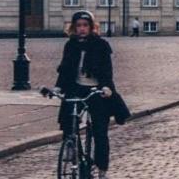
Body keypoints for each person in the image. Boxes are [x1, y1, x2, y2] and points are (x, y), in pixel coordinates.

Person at [50, 11, 130, 179]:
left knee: (100, 132)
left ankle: (102, 169)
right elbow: (65, 69)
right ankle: (71, 145)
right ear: (73, 28)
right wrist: (58, 88)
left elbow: (107, 70)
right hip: (76, 88)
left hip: (97, 90)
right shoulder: (70, 45)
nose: (82, 29)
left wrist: (107, 87)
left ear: (92, 27)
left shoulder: (101, 45)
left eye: (85, 26)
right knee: (68, 117)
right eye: (78, 26)